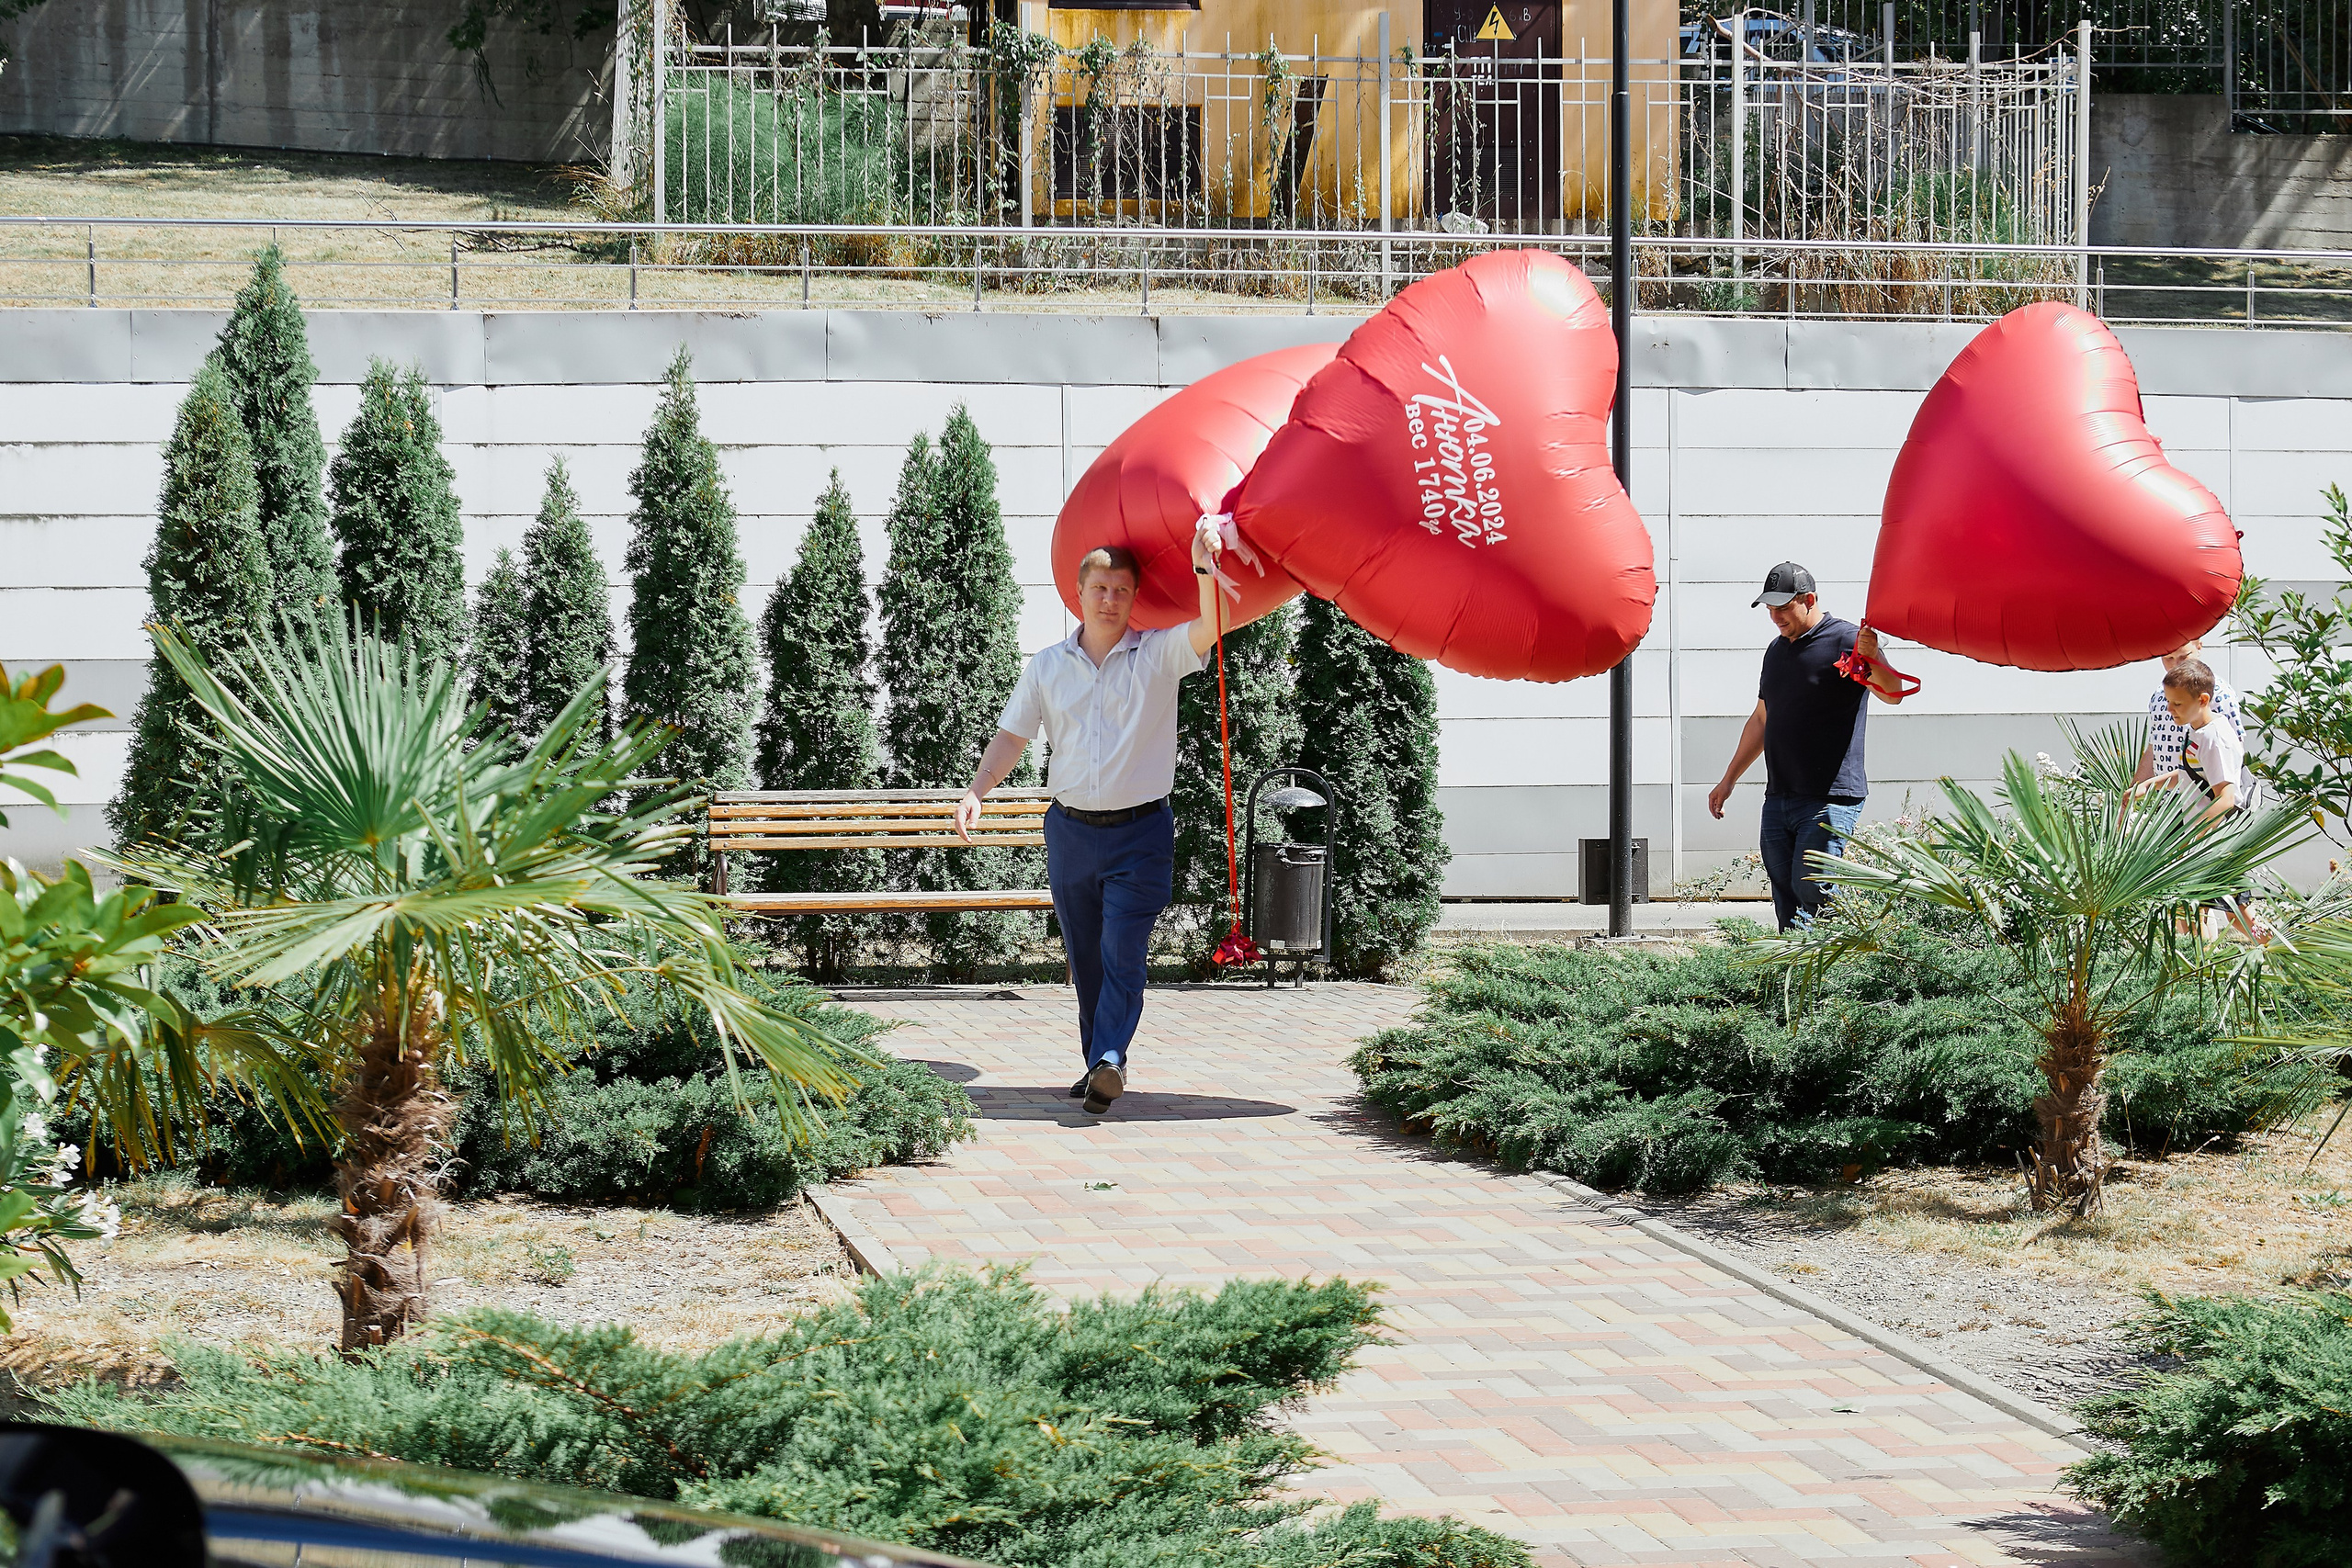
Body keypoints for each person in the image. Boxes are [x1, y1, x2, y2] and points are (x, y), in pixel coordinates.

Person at [955, 522, 1249, 1115]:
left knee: (1122, 949)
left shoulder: (1159, 653)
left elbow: (1213, 624)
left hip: (1141, 834)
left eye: (1121, 590)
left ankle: (1111, 1055)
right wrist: (978, 789)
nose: (1110, 600)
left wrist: (1201, 563)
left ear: (1133, 598)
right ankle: (1098, 1063)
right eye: (1100, 589)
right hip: (1070, 832)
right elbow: (1013, 736)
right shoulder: (1046, 667)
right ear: (1079, 593)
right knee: (1086, 956)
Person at [1706, 562, 1912, 931]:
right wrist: (1728, 780)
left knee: (1815, 888)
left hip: (1831, 795)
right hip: (1780, 796)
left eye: (1782, 608)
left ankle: (1837, 972)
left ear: (1809, 600)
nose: (1774, 617)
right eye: (1769, 608)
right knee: (1785, 894)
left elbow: (1894, 694)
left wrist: (1874, 656)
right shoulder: (1775, 651)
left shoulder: (1846, 640)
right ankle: (1795, 973)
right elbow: (1760, 720)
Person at [2129, 658, 2262, 942]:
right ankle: (2287, 952)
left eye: (2177, 704)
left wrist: (2193, 839)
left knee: (2206, 914)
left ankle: (2287, 951)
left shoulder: (2215, 738)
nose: (2169, 709)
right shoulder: (2199, 731)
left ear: (2203, 699)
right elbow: (2192, 772)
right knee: (2230, 916)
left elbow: (2226, 797)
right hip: (2210, 838)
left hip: (2215, 841)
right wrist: (2150, 785)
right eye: (2168, 701)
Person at [2133, 637, 2243, 788]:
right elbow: (2154, 747)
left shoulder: (2220, 693)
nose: (2175, 665)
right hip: (2166, 800)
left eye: (2183, 657)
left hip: (2203, 802)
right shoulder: (2159, 695)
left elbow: (2232, 754)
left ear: (2199, 647)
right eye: (2168, 658)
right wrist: (2134, 791)